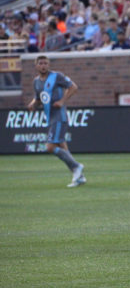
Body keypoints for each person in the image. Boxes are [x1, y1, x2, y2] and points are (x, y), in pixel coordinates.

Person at [27, 55, 86, 188]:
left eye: (45, 63)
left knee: (50, 147)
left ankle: (77, 167)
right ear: (36, 66)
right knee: (62, 146)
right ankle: (79, 177)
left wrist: (62, 101)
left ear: (49, 65)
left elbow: (73, 87)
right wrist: (32, 104)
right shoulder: (36, 82)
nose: (43, 65)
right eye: (40, 63)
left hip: (59, 117)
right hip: (50, 118)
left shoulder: (57, 76)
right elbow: (38, 98)